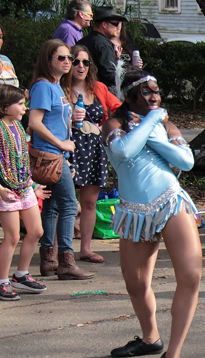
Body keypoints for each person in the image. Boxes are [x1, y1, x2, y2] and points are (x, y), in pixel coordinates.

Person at [102, 70, 200, 358]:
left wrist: (158, 133)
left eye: (156, 92)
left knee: (190, 275)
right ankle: (150, 337)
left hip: (170, 202)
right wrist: (150, 124)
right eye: (145, 93)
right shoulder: (115, 125)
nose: (154, 97)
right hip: (134, 212)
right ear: (129, 98)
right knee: (136, 283)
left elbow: (186, 161)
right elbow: (124, 152)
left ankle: (171, 356)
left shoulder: (164, 126)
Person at [29, 39, 95, 280]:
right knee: (69, 205)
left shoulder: (58, 87)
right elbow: (34, 123)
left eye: (69, 57)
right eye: (62, 58)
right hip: (50, 154)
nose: (68, 61)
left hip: (58, 155)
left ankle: (49, 260)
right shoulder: (44, 86)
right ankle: (66, 260)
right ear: (48, 61)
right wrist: (61, 145)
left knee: (53, 205)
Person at [61, 45, 121, 264]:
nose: (80, 66)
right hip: (67, 147)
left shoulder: (98, 88)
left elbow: (119, 107)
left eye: (86, 62)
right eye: (76, 61)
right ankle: (60, 249)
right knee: (63, 202)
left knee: (89, 202)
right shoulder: (60, 88)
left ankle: (85, 249)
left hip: (93, 148)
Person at [0, 85, 47, 301]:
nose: (24, 108)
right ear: (4, 107)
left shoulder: (18, 127)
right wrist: (1, 189)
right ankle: (2, 281)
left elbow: (21, 161)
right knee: (12, 236)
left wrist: (33, 186)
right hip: (5, 190)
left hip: (23, 186)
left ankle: (21, 274)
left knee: (36, 231)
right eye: (19, 104)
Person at [76, 6, 127, 96]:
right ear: (104, 24)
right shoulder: (104, 45)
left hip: (81, 90)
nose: (118, 27)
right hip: (101, 94)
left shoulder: (83, 40)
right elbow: (110, 75)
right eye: (115, 24)